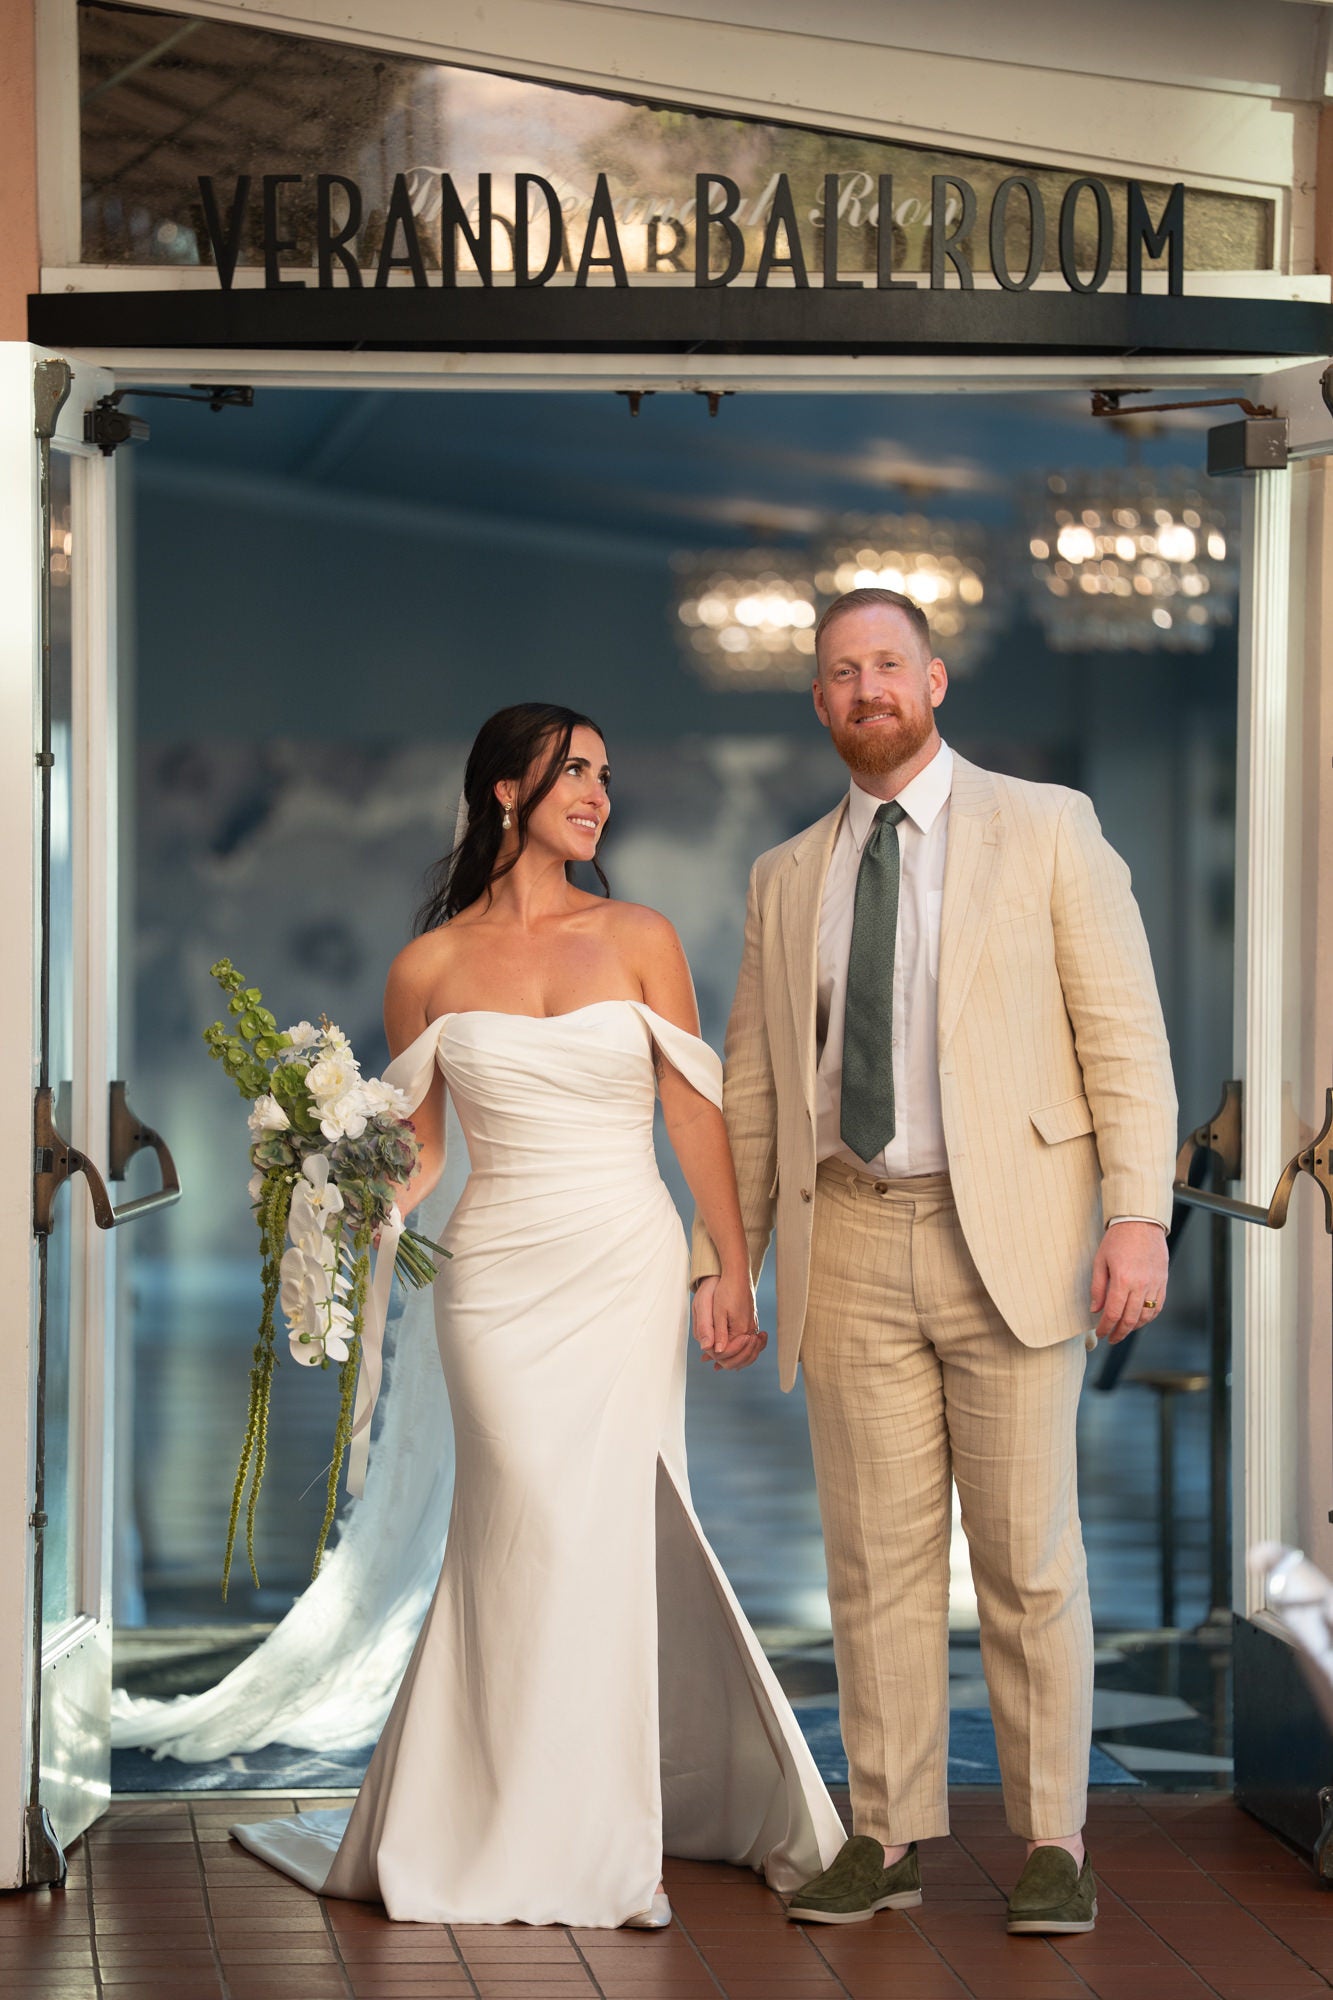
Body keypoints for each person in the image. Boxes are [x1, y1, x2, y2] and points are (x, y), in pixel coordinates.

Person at [231, 701, 844, 1929]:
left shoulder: (640, 935)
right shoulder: (430, 966)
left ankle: (600, 1830)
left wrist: (729, 1262)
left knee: (602, 1536)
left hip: (622, 1264)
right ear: (504, 792)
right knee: (519, 1525)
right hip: (497, 1279)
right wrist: (340, 1197)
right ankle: (493, 1812)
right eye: (575, 772)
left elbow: (690, 1113)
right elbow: (416, 1147)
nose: (599, 794)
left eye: (606, 775)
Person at [691, 590, 1177, 1937]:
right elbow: (748, 1085)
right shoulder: (788, 874)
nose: (866, 690)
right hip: (845, 1235)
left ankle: (1054, 1843)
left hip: (1005, 1231)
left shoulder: (1046, 826)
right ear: (819, 704)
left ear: (935, 680)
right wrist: (723, 1258)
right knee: (875, 1558)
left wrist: (1138, 1216)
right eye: (840, 673)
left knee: (1027, 1558)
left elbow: (1123, 1040)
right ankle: (886, 1832)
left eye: (886, 666)